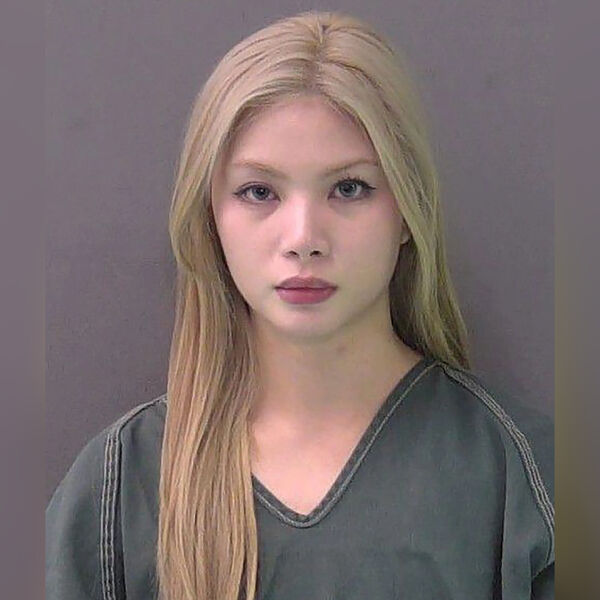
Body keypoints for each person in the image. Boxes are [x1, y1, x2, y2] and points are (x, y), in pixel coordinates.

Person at [46, 10, 554, 600]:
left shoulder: (523, 479)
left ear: (408, 211)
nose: (303, 237)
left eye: (349, 188)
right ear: (210, 216)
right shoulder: (118, 488)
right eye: (259, 191)